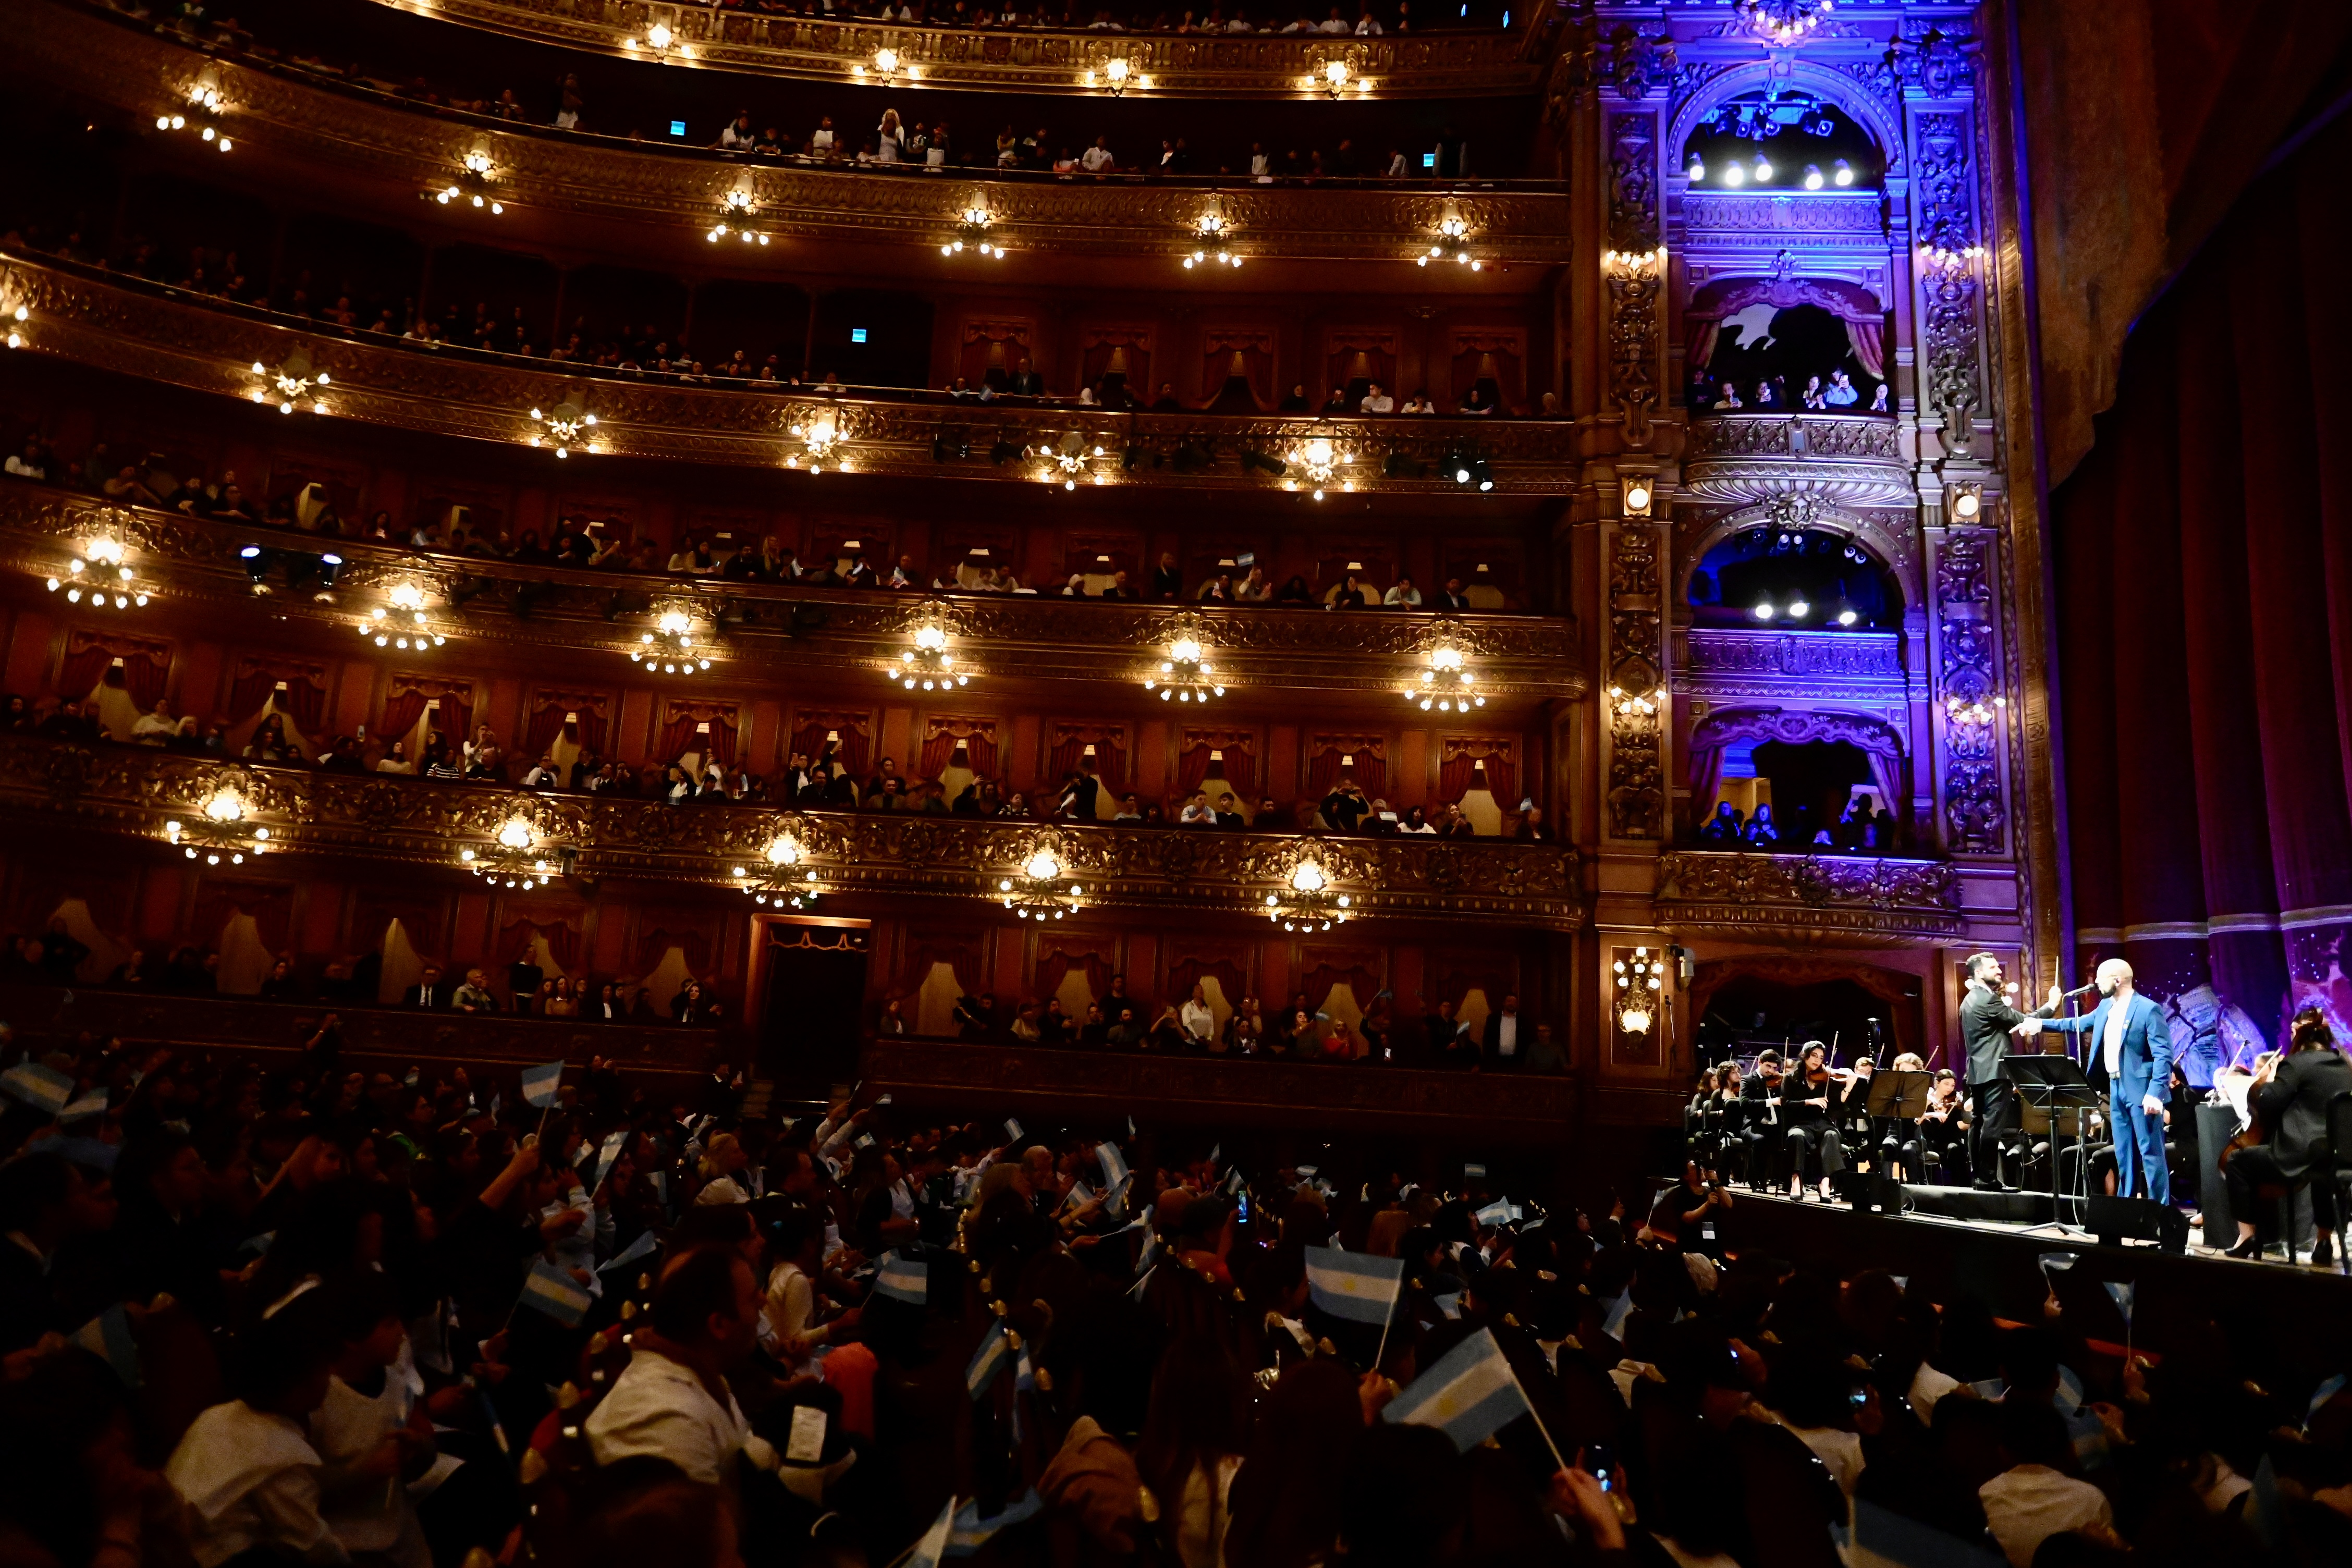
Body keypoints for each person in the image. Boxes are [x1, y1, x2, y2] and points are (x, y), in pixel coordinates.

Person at [2032, 958, 2174, 1205]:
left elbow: (2164, 1054)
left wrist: (2156, 1092)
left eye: (2101, 978)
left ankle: (2160, 1211)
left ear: (2118, 980)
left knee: (2150, 1153)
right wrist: (2039, 1024)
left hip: (2141, 1090)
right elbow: (2076, 1024)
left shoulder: (2147, 1009)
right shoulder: (2106, 1007)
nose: (2096, 982)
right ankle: (2126, 1208)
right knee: (2124, 1154)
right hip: (2115, 1088)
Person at [2220, 1005, 2351, 1263]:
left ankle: (2248, 1237)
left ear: (2299, 1034)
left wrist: (2271, 1077)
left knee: (2236, 1161)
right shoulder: (2345, 1064)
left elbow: (2269, 1103)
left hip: (2300, 1153)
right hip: (2338, 1154)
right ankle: (2324, 1241)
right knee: (2323, 1175)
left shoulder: (2297, 1063)